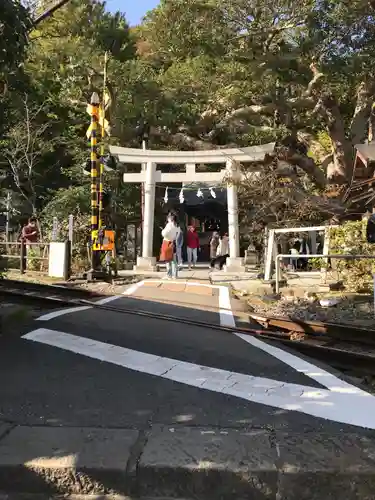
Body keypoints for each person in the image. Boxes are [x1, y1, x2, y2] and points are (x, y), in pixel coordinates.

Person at [160, 213, 179, 279]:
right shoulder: (176, 225)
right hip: (173, 243)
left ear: (170, 218)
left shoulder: (169, 225)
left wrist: (162, 230)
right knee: (174, 260)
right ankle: (175, 275)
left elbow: (164, 234)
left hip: (167, 242)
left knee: (168, 260)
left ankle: (169, 275)